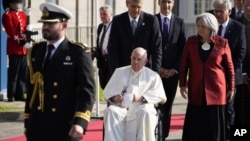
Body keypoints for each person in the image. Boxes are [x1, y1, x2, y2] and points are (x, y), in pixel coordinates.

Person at [24, 2, 96, 141]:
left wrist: (80, 121)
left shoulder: (77, 52)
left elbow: (87, 90)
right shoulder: (36, 51)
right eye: (44, 24)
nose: (45, 27)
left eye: (50, 24)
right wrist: (28, 119)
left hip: (65, 124)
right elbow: (32, 88)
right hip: (38, 123)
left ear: (64, 25)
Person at [179, 12, 235, 141]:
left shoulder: (223, 43)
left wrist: (231, 87)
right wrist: (183, 84)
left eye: (203, 26)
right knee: (196, 127)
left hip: (216, 91)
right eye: (198, 26)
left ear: (211, 27)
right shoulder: (191, 42)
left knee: (214, 129)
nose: (199, 29)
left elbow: (230, 68)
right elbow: (183, 65)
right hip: (196, 89)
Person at [103, 47, 166, 141]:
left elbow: (161, 96)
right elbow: (108, 92)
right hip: (123, 108)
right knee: (111, 111)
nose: (135, 61)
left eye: (139, 59)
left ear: (145, 61)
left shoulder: (153, 76)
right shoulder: (119, 72)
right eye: (133, 58)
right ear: (130, 58)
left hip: (141, 108)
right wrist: (114, 98)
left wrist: (141, 98)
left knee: (146, 111)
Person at [213, 0, 246, 140]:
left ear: (229, 11)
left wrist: (227, 71)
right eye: (216, 11)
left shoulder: (238, 27)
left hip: (230, 77)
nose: (218, 14)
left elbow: (241, 53)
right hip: (213, 77)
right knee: (214, 110)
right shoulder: (211, 26)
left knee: (229, 110)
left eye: (221, 11)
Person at [155, 0, 186, 140]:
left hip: (172, 75)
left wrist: (174, 69)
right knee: (154, 107)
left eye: (169, 2)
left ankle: (164, 135)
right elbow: (149, 49)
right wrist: (158, 68)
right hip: (155, 74)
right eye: (163, 2)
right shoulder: (152, 20)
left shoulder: (179, 22)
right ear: (158, 3)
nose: (166, 6)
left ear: (173, 4)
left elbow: (183, 50)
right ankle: (154, 134)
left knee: (167, 107)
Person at [108, 0, 162, 74]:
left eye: (139, 7)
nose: (136, 10)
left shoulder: (151, 21)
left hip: (145, 71)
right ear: (127, 3)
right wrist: (115, 72)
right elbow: (112, 49)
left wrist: (155, 73)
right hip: (123, 70)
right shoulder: (118, 21)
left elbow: (157, 49)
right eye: (133, 6)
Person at [1, 0, 29, 102]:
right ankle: (11, 94)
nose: (17, 5)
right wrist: (22, 42)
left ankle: (20, 94)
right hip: (14, 48)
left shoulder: (23, 14)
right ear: (10, 3)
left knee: (23, 72)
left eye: (18, 3)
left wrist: (28, 36)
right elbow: (11, 32)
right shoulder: (7, 15)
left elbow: (25, 29)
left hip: (23, 49)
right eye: (15, 3)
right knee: (14, 72)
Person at [234, 0, 250, 126]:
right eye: (247, 4)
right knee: (242, 111)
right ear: (242, 5)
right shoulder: (237, 25)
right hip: (242, 74)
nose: (249, 7)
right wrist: (243, 72)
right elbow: (237, 51)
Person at [95, 5, 113, 89]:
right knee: (104, 86)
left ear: (111, 14)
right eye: (101, 14)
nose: (102, 16)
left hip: (111, 62)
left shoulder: (115, 26)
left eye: (105, 14)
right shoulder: (100, 27)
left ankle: (111, 103)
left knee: (112, 88)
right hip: (102, 63)